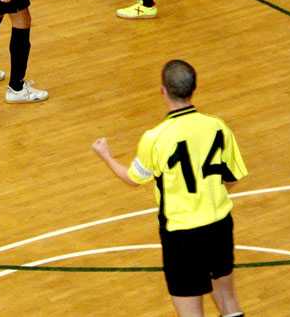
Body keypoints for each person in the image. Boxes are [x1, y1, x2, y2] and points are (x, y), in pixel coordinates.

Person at [91, 59, 247, 317]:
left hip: (181, 233)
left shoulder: (156, 138)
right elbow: (232, 177)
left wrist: (106, 155)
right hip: (219, 225)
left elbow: (133, 178)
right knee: (228, 301)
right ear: (193, 89)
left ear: (163, 91)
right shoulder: (218, 127)